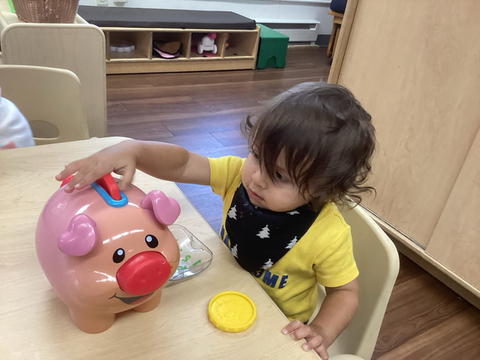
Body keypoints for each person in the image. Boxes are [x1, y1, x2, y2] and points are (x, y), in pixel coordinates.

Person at [56, 81, 375, 359]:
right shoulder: (237, 175)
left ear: (324, 190)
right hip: (221, 287)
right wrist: (135, 150)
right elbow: (182, 165)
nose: (257, 178)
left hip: (278, 325)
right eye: (256, 154)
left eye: (279, 175)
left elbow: (345, 293)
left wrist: (320, 329)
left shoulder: (329, 234)